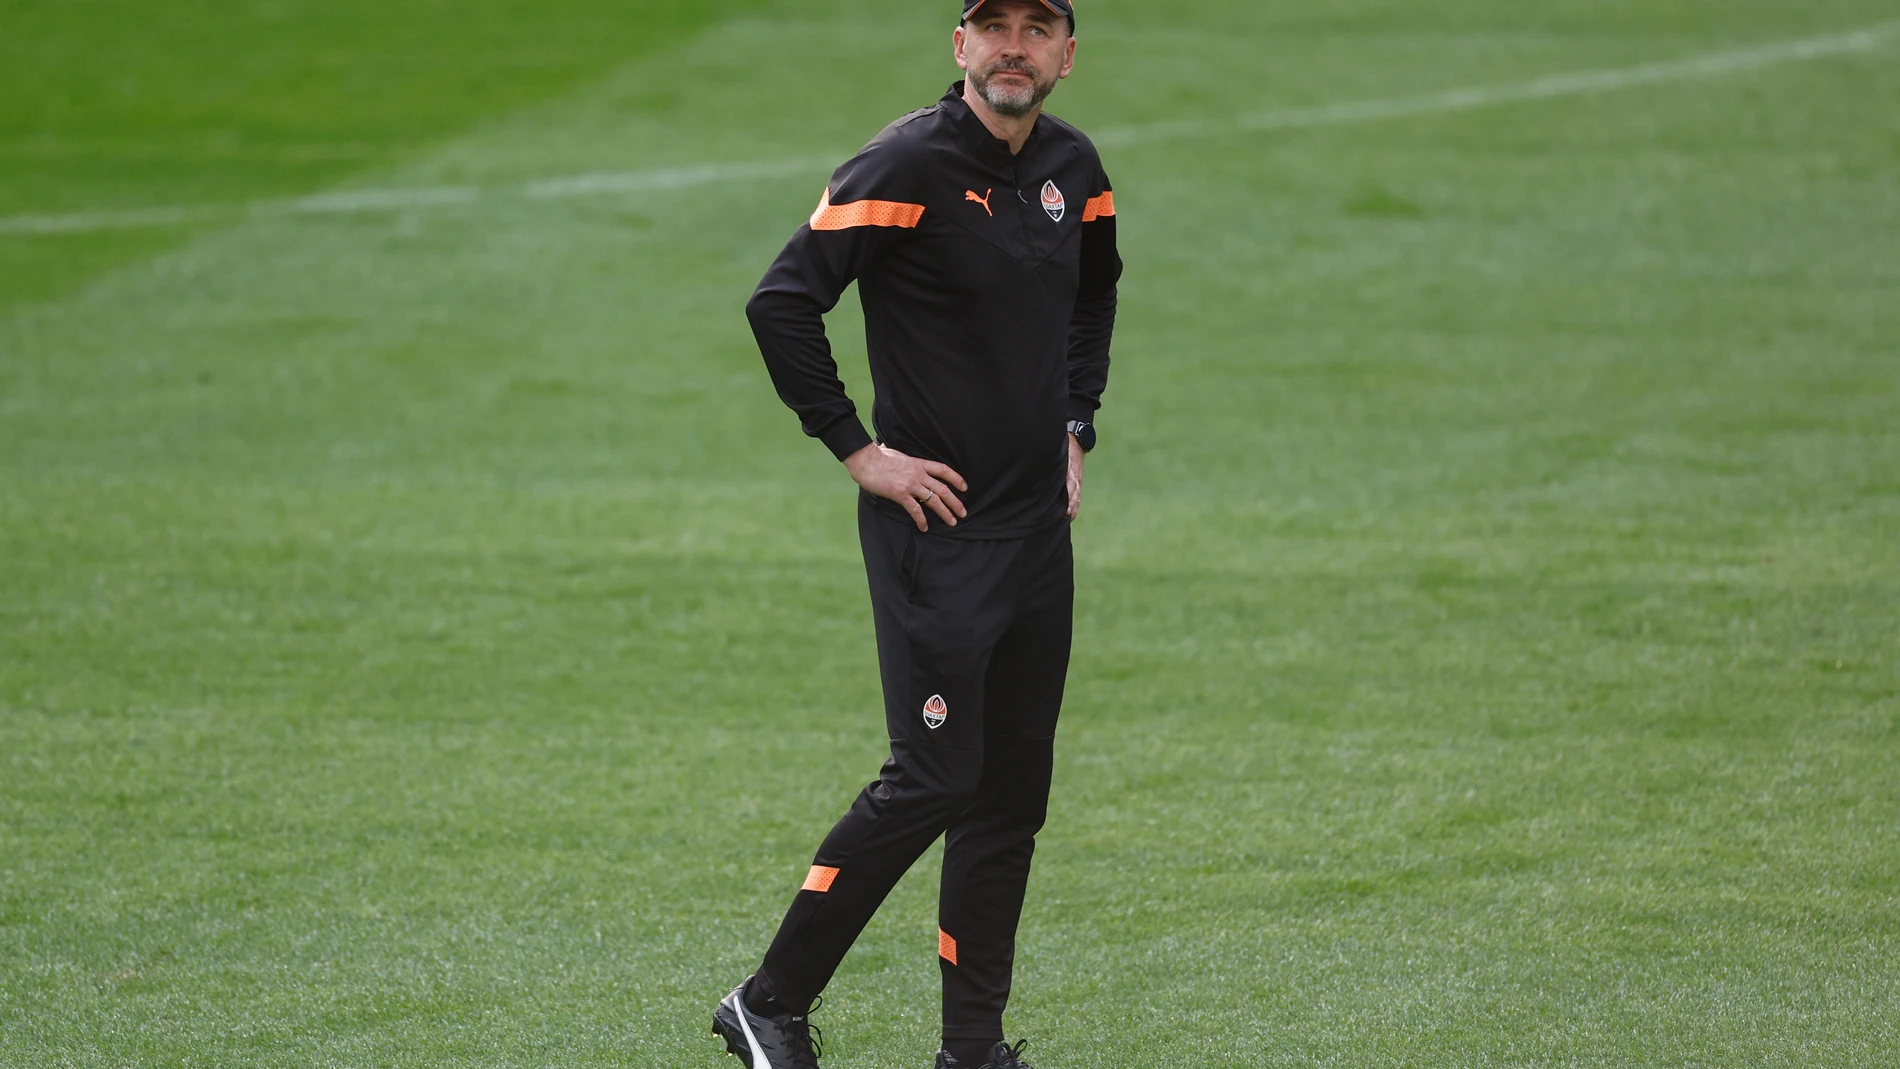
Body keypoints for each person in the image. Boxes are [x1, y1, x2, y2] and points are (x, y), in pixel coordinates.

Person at [713, 2, 1120, 1066]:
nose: (1013, 47)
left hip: (1036, 538)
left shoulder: (1075, 170)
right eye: (992, 26)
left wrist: (1077, 417)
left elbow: (1095, 294)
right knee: (933, 778)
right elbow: (781, 303)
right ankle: (769, 1001)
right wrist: (857, 449)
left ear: (1066, 55)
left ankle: (971, 1049)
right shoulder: (902, 165)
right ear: (960, 47)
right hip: (933, 535)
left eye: (1038, 28)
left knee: (1008, 799)